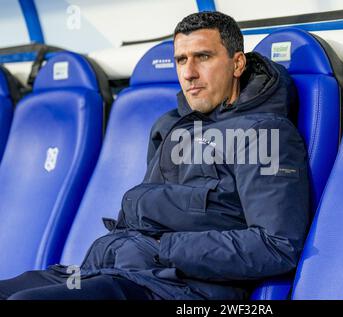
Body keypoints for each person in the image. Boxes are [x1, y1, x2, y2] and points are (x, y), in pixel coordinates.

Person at [0, 11, 310, 300]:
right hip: (114, 268)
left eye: (203, 57)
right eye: (181, 60)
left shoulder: (265, 134)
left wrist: (165, 248)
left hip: (175, 288)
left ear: (237, 63)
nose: (189, 73)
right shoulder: (172, 125)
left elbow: (277, 246)